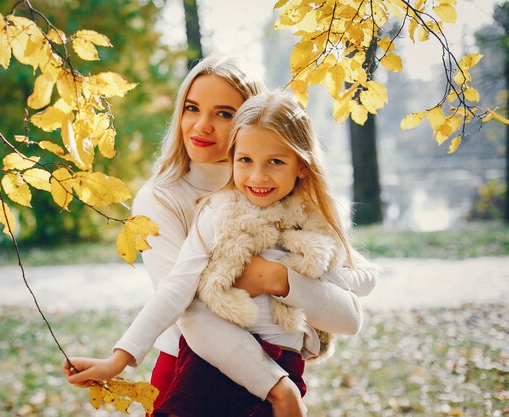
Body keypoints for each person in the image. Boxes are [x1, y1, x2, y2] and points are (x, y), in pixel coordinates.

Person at [63, 56, 377, 417]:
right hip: (200, 365)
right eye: (192, 108)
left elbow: (349, 290)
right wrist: (278, 388)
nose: (201, 126)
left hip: (277, 366)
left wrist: (279, 279)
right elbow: (188, 306)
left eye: (224, 113)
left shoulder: (293, 201)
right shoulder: (182, 202)